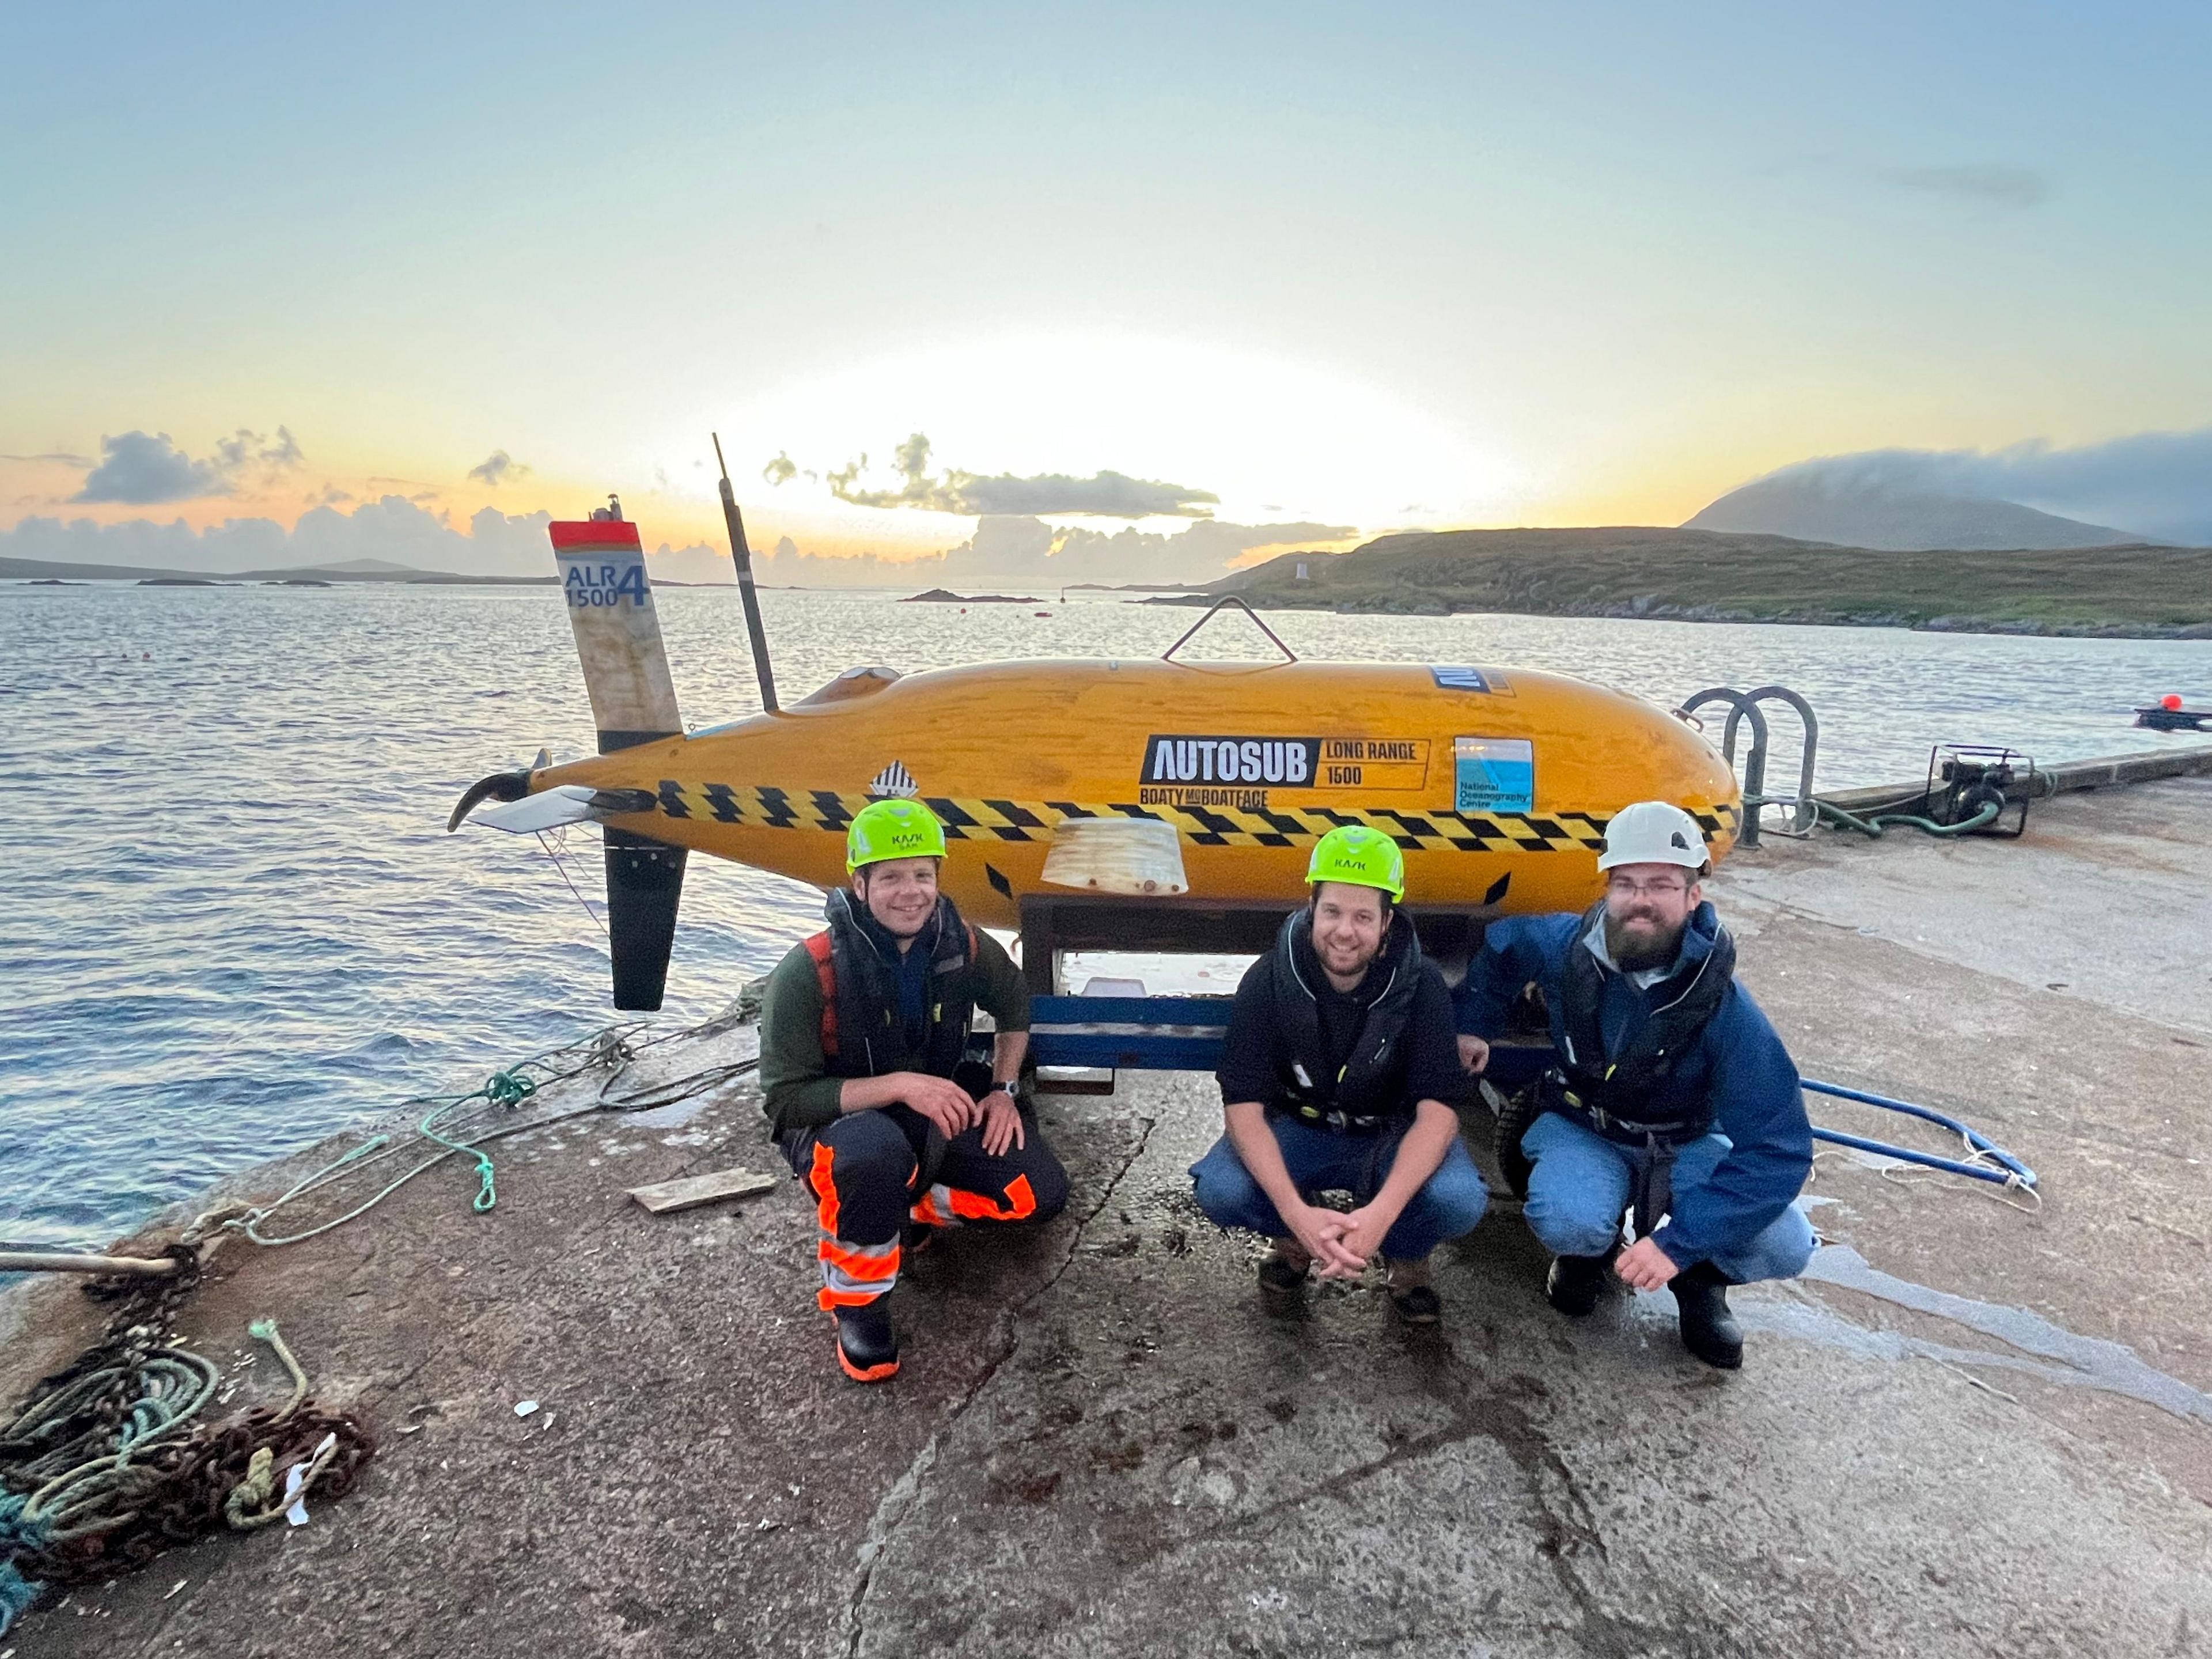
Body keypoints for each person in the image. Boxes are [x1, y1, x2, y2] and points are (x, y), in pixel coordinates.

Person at [1455, 801, 1815, 1369]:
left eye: (1661, 884)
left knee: (1786, 1242)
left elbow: (1778, 1148)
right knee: (1567, 1216)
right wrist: (1473, 1023)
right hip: (1584, 1126)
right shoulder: (1562, 945)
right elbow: (1504, 947)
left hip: (1687, 1140)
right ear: (1607, 887)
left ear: (1693, 895)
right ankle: (1586, 1257)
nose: (1640, 900)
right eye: (1626, 883)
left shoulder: (1729, 1010)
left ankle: (1700, 1282)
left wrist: (1680, 1245)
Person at [759, 798, 1069, 1381]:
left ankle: (902, 1208)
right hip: (842, 1130)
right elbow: (786, 1101)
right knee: (872, 1156)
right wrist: (901, 1084)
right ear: (859, 883)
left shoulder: (965, 944)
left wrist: (1003, 1089)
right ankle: (858, 1303)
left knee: (1039, 1193)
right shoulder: (807, 971)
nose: (911, 893)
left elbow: (1013, 1007)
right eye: (892, 877)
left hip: (935, 1117)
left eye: (923, 875)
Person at [1190, 824, 1489, 1324]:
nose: (1344, 931)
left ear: (1387, 922)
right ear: (1312, 911)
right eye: (1331, 911)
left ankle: (1407, 1257)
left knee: (1458, 1200)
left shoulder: (1425, 985)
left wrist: (1381, 1217)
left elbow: (1438, 1115)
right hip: (1298, 1126)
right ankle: (1294, 1244)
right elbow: (1242, 1107)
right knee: (1222, 1189)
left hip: (1388, 1133)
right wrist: (1295, 1214)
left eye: (1362, 916)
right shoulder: (1268, 978)